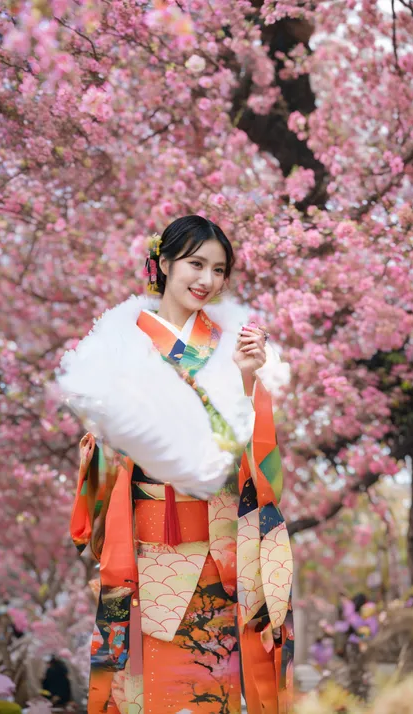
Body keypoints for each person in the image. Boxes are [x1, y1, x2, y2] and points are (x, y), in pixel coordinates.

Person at [57, 215, 294, 714]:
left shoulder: (230, 346)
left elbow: (255, 457)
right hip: (146, 554)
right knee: (145, 691)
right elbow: (103, 440)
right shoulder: (121, 340)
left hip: (217, 556)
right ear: (163, 263)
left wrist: (249, 380)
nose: (206, 279)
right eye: (194, 263)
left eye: (218, 269)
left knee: (212, 691)